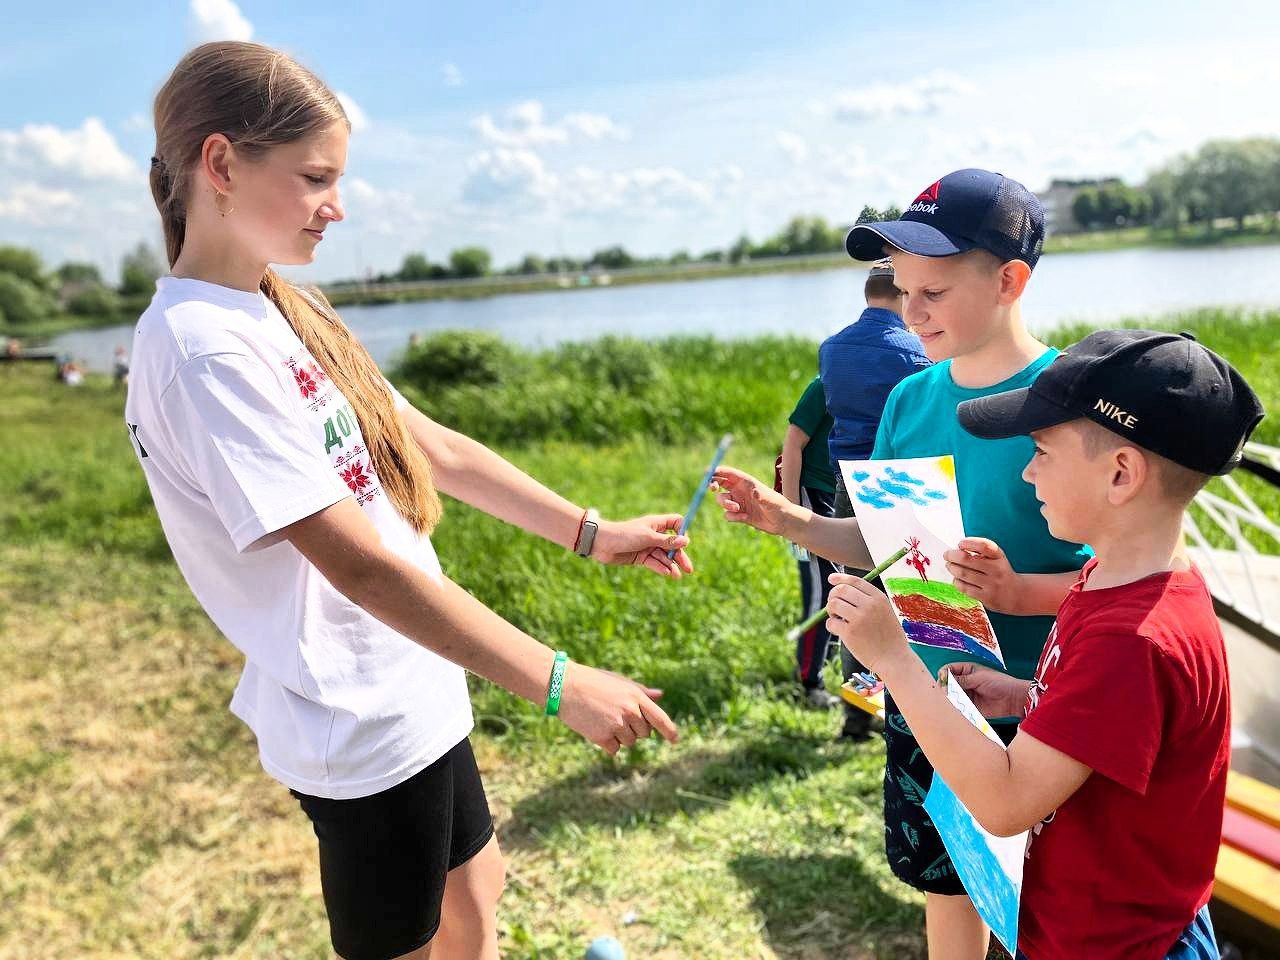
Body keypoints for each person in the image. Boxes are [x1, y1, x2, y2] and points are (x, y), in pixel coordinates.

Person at [125, 41, 692, 960]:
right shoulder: (201, 350)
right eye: (315, 178)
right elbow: (359, 566)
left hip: (414, 680)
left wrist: (592, 533)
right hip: (357, 722)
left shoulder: (282, 307)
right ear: (220, 164)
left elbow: (431, 446)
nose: (336, 207)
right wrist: (559, 682)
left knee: (477, 897)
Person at [713, 169, 1092, 959]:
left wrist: (1017, 592)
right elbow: (888, 543)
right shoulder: (908, 401)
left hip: (1046, 707)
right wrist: (787, 519)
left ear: (1009, 282)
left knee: (1060, 905)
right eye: (904, 289)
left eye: (934, 293)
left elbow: (1132, 583)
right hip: (930, 693)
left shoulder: (1074, 404)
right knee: (949, 886)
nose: (911, 312)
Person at [828, 329, 1263, 959]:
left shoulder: (1132, 639)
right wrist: (1028, 696)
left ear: (1121, 474)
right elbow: (1120, 728)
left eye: (1040, 451)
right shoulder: (1118, 578)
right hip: (1094, 927)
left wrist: (894, 659)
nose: (1028, 471)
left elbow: (1005, 803)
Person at [818, 257, 929, 737]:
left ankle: (857, 716)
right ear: (901, 294)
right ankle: (904, 711)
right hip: (897, 482)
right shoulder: (914, 351)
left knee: (854, 602)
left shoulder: (831, 349)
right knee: (912, 600)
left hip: (847, 482)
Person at [778, 374, 842, 710]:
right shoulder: (824, 385)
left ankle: (828, 660)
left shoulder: (876, 379)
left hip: (844, 495)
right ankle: (809, 682)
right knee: (823, 590)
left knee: (843, 584)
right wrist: (791, 513)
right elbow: (792, 443)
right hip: (812, 494)